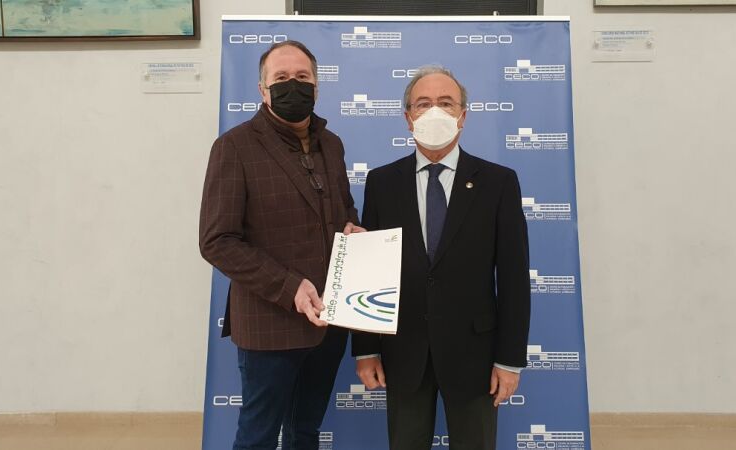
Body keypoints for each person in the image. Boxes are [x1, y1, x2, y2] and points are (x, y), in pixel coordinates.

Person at [352, 65, 531, 450]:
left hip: (476, 356)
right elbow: (369, 272)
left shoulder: (498, 182)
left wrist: (509, 360)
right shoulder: (382, 183)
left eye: (446, 103)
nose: (435, 111)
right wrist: (366, 349)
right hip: (403, 353)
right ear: (408, 117)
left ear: (463, 116)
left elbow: (514, 279)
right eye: (423, 103)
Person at [199, 40, 364, 450]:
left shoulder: (332, 144)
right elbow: (217, 241)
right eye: (282, 78)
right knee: (257, 437)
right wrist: (290, 287)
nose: (294, 85)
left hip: (329, 323)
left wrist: (352, 229)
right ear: (263, 89)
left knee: (304, 432)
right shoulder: (234, 147)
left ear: (317, 86)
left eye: (302, 77)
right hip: (269, 326)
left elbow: (344, 209)